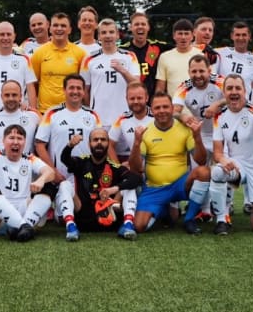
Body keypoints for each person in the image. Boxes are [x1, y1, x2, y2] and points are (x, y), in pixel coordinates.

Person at [127, 92, 212, 234]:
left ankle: (189, 219)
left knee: (204, 172)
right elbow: (135, 168)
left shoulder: (184, 128)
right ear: (152, 110)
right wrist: (136, 143)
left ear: (172, 108)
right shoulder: (145, 132)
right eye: (157, 108)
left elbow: (201, 160)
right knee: (139, 227)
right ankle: (165, 210)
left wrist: (197, 137)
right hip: (155, 188)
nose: (162, 111)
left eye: (165, 107)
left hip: (180, 185)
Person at [210, 74, 253, 234]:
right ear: (224, 92)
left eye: (238, 88)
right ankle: (222, 219)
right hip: (238, 166)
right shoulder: (219, 116)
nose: (234, 92)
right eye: (229, 88)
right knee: (218, 171)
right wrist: (223, 159)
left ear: (244, 91)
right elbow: (217, 151)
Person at [34, 74, 102, 239]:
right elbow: (39, 145)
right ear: (64, 90)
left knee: (91, 217)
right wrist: (52, 171)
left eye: (79, 88)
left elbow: (101, 143)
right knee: (61, 219)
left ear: (84, 92)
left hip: (87, 177)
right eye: (71, 88)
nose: (75, 91)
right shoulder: (52, 113)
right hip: (61, 175)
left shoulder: (92, 115)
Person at [0, 125, 57, 242]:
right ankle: (24, 226)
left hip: (24, 210)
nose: (15, 142)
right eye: (11, 138)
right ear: (3, 141)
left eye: (19, 138)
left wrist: (41, 180)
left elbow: (50, 172)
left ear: (25, 142)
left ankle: (23, 227)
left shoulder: (29, 158)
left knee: (49, 185)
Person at [59, 129, 142, 240]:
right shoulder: (81, 163)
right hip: (83, 219)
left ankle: (128, 224)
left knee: (129, 187)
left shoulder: (115, 167)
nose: (99, 142)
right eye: (95, 139)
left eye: (103, 140)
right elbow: (65, 159)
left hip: (110, 220)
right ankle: (70, 226)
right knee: (64, 184)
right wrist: (70, 146)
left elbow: (136, 179)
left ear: (108, 144)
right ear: (89, 144)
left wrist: (114, 189)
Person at [80, 18, 139, 127]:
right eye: (103, 32)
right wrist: (91, 112)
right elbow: (85, 90)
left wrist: (123, 71)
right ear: (98, 36)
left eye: (111, 32)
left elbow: (137, 85)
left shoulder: (129, 56)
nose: (107, 36)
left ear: (117, 35)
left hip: (125, 118)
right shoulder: (89, 59)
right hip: (99, 119)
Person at [0, 21, 38, 112]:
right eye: (2, 34)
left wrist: (33, 112)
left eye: (8, 34)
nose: (5, 38)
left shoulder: (24, 59)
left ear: (14, 36)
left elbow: (30, 88)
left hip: (19, 113)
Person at [30, 12, 86, 113]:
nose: (59, 29)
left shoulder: (80, 53)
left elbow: (84, 86)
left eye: (63, 26)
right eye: (55, 25)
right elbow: (33, 84)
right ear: (50, 28)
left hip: (71, 111)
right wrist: (34, 111)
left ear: (69, 30)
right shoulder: (39, 53)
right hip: (45, 112)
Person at [0, 80, 41, 154]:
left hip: (26, 163)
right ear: (1, 97)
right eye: (7, 95)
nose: (10, 98)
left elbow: (50, 129)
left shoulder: (33, 116)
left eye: (14, 95)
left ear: (20, 96)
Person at [119, 10, 171, 100]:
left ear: (148, 27)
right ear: (131, 28)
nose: (140, 27)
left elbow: (181, 47)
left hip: (152, 103)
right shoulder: (122, 50)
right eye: (136, 24)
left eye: (143, 24)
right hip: (130, 102)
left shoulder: (159, 47)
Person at [154, 18, 201, 98]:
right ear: (174, 36)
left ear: (192, 36)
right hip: (173, 108)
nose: (183, 37)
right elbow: (160, 87)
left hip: (196, 108)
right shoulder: (165, 57)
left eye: (186, 34)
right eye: (180, 33)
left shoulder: (200, 56)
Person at [109, 82, 154, 163]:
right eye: (132, 98)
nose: (136, 101)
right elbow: (109, 144)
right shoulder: (122, 119)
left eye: (139, 98)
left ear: (147, 98)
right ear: (126, 99)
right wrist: (118, 168)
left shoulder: (156, 116)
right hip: (134, 166)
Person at [216, 21, 253, 93]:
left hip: (246, 102)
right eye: (237, 35)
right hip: (224, 102)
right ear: (232, 36)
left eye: (244, 35)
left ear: (249, 36)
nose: (240, 38)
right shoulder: (221, 52)